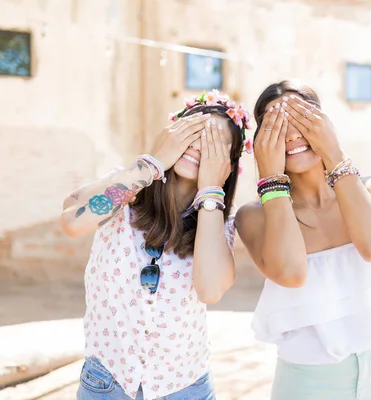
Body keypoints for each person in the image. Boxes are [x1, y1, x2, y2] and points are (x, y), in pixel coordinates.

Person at [60, 90, 251, 400]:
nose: (198, 147)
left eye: (213, 144)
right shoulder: (124, 190)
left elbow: (210, 290)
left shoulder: (216, 223)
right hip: (106, 384)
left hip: (186, 388)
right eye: (193, 133)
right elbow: (72, 222)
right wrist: (152, 164)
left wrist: (211, 191)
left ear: (229, 166)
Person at [236, 81, 371, 400]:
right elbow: (291, 272)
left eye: (301, 120)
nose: (291, 135)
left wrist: (335, 154)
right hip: (307, 385)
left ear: (324, 124)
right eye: (276, 126)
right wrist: (271, 180)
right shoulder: (254, 217)